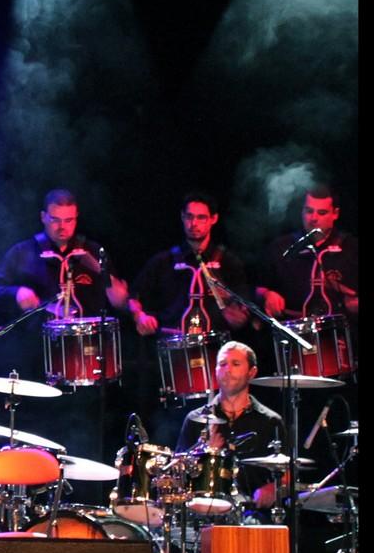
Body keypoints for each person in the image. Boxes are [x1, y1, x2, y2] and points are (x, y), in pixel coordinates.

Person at [175, 341, 286, 511]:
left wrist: (273, 488)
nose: (227, 369)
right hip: (204, 511)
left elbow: (289, 473)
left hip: (254, 512)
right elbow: (178, 472)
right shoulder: (196, 419)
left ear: (252, 372)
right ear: (215, 371)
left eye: (235, 364)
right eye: (222, 364)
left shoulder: (270, 421)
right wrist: (204, 454)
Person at [0, 188, 130, 318]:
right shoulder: (22, 252)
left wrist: (105, 276)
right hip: (38, 335)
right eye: (55, 219)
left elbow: (120, 302)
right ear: (43, 217)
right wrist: (16, 293)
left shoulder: (93, 251)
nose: (62, 227)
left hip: (88, 336)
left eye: (68, 220)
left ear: (76, 217)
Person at [129, 193, 250, 338]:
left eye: (201, 217)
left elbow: (244, 304)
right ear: (182, 217)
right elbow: (134, 296)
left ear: (213, 219)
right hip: (173, 343)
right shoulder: (163, 261)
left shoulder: (228, 262)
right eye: (189, 217)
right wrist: (139, 316)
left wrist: (239, 316)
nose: (194, 223)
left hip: (217, 346)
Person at [256, 186, 359, 320]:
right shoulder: (281, 247)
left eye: (322, 213)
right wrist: (267, 295)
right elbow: (258, 287)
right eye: (309, 211)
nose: (314, 218)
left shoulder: (352, 248)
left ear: (335, 214)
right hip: (294, 327)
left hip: (342, 328)